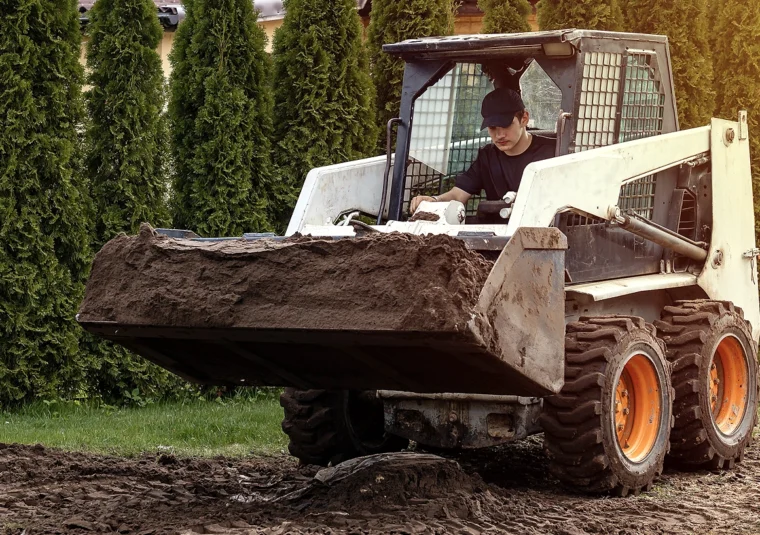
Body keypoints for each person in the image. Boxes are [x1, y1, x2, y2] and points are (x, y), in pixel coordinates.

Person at [409, 87, 555, 214]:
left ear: (524, 119)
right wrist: (434, 200)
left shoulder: (554, 153)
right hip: (496, 232)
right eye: (492, 127)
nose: (499, 135)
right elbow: (458, 195)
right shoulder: (487, 157)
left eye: (506, 125)